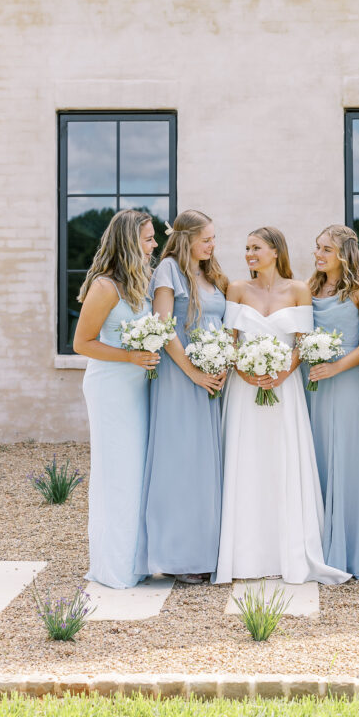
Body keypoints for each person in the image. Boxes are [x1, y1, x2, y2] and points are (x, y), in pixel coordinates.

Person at [214, 226, 349, 585]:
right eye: (246, 248)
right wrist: (244, 371)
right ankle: (244, 555)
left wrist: (282, 375)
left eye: (255, 247)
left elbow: (301, 344)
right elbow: (230, 341)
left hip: (285, 390)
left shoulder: (299, 290)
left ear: (275, 250)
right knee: (247, 463)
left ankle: (286, 551)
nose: (248, 254)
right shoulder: (238, 289)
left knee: (282, 462)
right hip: (245, 391)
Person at [135, 210, 228, 584]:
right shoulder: (169, 270)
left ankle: (202, 552)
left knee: (204, 465)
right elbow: (163, 325)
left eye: (213, 238)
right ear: (187, 237)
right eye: (206, 238)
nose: (212, 244)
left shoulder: (211, 275)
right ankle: (176, 556)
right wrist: (193, 373)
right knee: (180, 462)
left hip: (210, 380)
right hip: (180, 378)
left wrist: (222, 363)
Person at [73, 209, 159, 589]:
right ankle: (114, 567)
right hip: (111, 389)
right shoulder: (105, 287)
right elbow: (81, 343)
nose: (154, 244)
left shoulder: (140, 282)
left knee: (137, 472)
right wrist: (131, 356)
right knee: (117, 474)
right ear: (129, 241)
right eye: (148, 238)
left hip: (138, 387)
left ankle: (136, 561)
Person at [305, 225, 359, 578]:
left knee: (344, 457)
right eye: (317, 248)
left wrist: (335, 366)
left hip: (345, 383)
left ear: (344, 253)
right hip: (311, 384)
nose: (319, 255)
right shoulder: (310, 287)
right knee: (313, 456)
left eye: (326, 250)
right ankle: (313, 543)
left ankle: (346, 549)